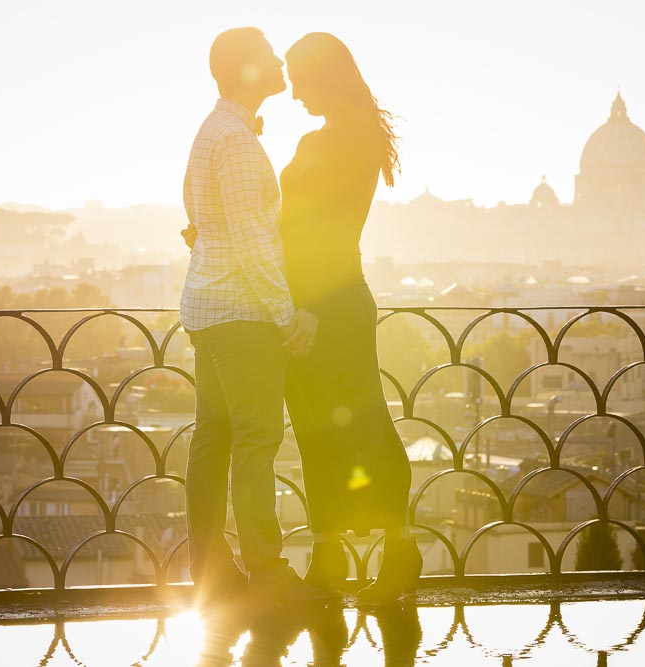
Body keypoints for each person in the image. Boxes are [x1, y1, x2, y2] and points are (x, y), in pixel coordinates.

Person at [180, 26, 322, 610]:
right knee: (257, 440)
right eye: (268, 54)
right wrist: (286, 313)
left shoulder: (214, 131)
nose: (280, 59)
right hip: (242, 314)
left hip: (208, 309)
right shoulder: (236, 142)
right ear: (245, 69)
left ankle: (210, 570)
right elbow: (250, 241)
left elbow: (199, 220)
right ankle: (267, 571)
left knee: (213, 441)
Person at [279, 32, 421, 603]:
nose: (292, 94)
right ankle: (335, 555)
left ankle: (389, 551)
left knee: (360, 427)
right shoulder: (344, 137)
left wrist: (309, 306)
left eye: (298, 80)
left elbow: (332, 230)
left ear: (324, 77)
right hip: (317, 304)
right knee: (319, 430)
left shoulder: (342, 141)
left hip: (325, 305)